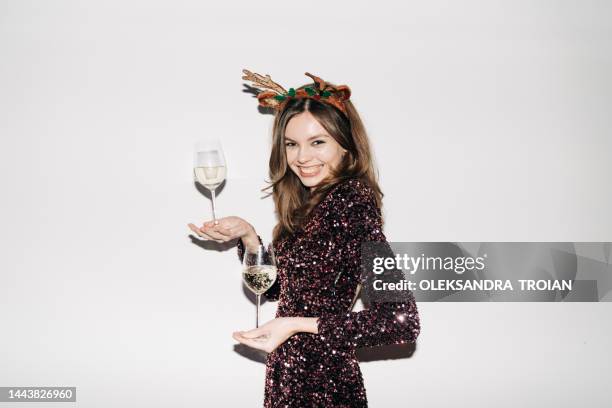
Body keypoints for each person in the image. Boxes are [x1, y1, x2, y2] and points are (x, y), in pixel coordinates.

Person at [188, 70, 421, 407]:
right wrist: (250, 239)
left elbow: (399, 322)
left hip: (324, 385)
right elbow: (280, 291)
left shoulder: (351, 204)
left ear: (345, 146)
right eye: (292, 144)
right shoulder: (310, 205)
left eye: (318, 142)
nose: (301, 158)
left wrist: (293, 325)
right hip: (290, 377)